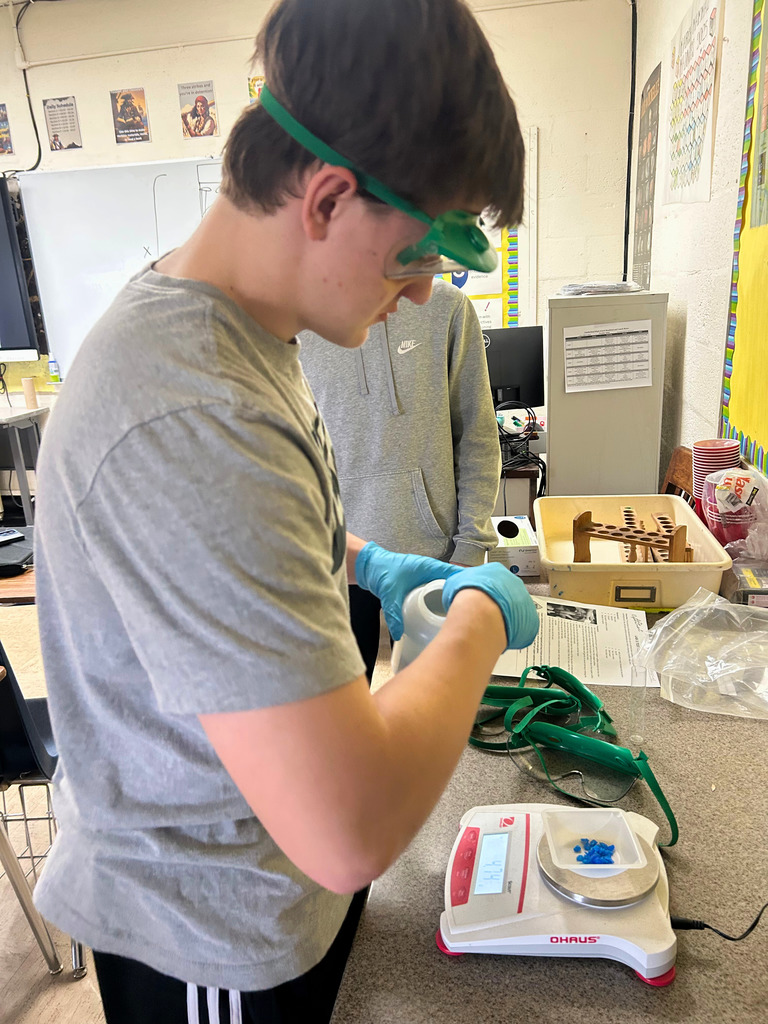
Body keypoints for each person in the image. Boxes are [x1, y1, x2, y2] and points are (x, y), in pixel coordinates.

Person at [33, 2, 534, 1022]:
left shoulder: (243, 334)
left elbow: (238, 547)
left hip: (273, 875)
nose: (422, 292)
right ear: (330, 199)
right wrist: (480, 622)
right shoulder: (191, 407)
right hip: (212, 934)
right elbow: (348, 830)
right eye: (419, 251)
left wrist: (363, 560)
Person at [300, 279, 501, 680]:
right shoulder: (297, 324)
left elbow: (477, 435)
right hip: (335, 559)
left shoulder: (446, 308)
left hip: (433, 558)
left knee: (432, 699)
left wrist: (471, 547)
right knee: (340, 707)